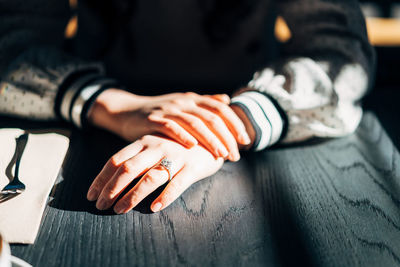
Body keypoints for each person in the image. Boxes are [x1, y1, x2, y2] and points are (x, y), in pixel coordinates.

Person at [0, 0, 375, 213]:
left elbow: (342, 54)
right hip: (87, 121)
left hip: (240, 111)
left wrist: (223, 123)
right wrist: (111, 104)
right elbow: (11, 40)